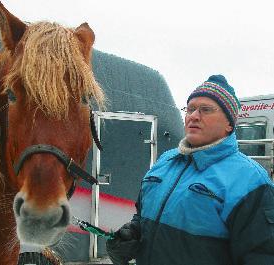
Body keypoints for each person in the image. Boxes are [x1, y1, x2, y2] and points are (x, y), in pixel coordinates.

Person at [106, 75, 274, 265]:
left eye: (206, 110)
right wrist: (130, 236)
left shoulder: (251, 181)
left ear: (229, 124)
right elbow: (142, 215)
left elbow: (262, 255)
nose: (194, 115)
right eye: (191, 109)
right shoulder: (165, 161)